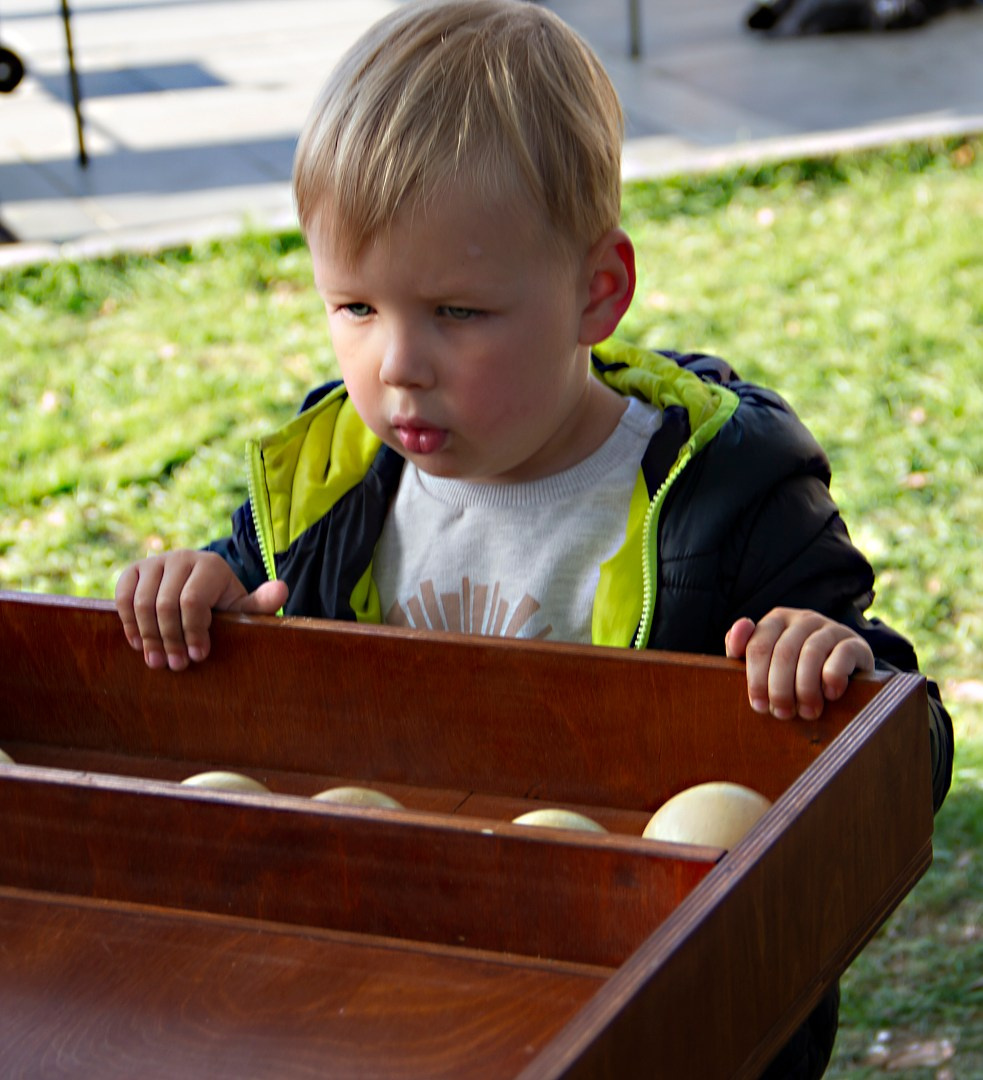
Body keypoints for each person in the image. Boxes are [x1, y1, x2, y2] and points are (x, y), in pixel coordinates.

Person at [114, 2, 953, 1076]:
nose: (397, 365)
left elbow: (901, 749)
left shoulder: (725, 493)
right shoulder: (325, 481)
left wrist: (832, 671)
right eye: (356, 306)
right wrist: (205, 592)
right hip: (397, 986)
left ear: (593, 293)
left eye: (457, 313)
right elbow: (256, 606)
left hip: (659, 1006)